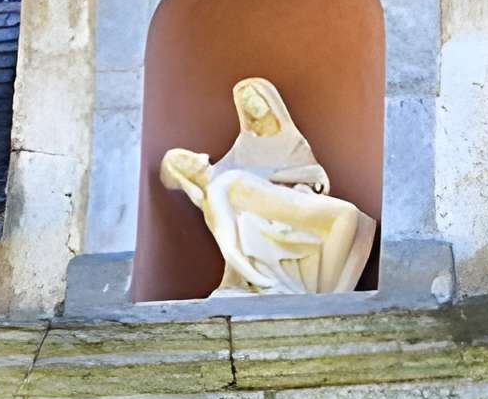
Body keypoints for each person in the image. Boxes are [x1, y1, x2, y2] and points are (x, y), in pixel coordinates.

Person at [158, 77, 379, 297]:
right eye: (245, 102)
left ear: (269, 99)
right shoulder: (231, 165)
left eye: (255, 97)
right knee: (342, 217)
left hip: (294, 203)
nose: (252, 104)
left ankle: (329, 295)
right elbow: (226, 228)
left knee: (350, 217)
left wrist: (304, 185)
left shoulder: (292, 140)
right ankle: (326, 297)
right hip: (274, 218)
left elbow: (309, 173)